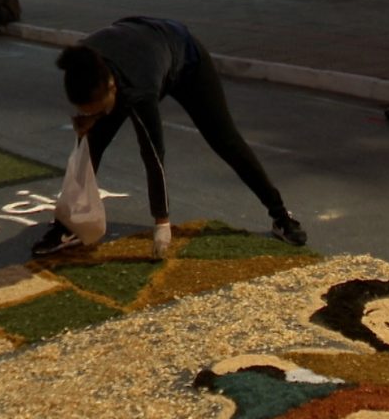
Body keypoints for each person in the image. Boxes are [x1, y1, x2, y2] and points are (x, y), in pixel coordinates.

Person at [33, 16, 307, 257]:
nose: (97, 114)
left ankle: (281, 216)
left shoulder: (138, 89)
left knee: (226, 141)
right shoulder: (82, 65)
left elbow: (153, 153)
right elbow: (90, 110)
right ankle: (65, 226)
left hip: (185, 60)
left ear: (112, 87)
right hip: (138, 42)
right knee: (89, 146)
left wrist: (161, 223)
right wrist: (87, 120)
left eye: (99, 108)